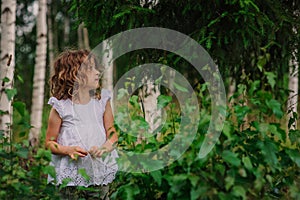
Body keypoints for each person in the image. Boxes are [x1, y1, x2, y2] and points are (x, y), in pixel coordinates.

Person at [45, 49, 118, 199]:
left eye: (96, 67)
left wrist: (104, 148)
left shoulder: (102, 101)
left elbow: (112, 134)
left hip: (98, 170)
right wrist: (67, 150)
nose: (97, 72)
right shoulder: (60, 106)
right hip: (71, 175)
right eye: (90, 68)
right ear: (74, 74)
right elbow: (49, 143)